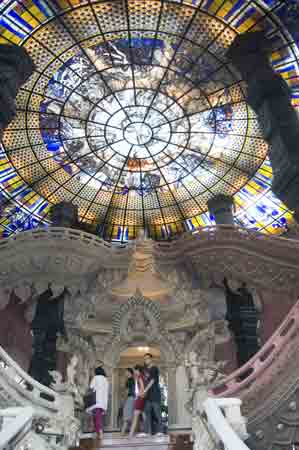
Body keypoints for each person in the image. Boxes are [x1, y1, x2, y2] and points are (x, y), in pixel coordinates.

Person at [87, 366, 109, 447]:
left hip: (95, 401)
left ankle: (100, 433)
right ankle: (98, 433)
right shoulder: (106, 380)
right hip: (103, 402)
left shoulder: (95, 378)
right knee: (98, 417)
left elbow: (91, 388)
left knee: (96, 418)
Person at [143, 353, 162, 435]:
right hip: (148, 395)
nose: (146, 360)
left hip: (155, 393)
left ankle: (160, 431)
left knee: (157, 413)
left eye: (147, 358)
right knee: (147, 413)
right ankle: (147, 432)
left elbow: (152, 380)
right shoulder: (146, 370)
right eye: (145, 359)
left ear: (151, 359)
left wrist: (145, 390)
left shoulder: (154, 368)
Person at [129, 365, 145, 438]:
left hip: (139, 398)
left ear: (138, 370)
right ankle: (131, 434)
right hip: (140, 398)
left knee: (135, 416)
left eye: (135, 370)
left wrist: (139, 396)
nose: (134, 372)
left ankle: (131, 434)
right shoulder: (140, 377)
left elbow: (142, 387)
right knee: (141, 416)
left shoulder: (140, 377)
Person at [121, 368, 135, 435]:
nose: (125, 373)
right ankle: (130, 432)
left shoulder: (129, 380)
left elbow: (127, 391)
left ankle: (122, 433)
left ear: (129, 372)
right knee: (130, 416)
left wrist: (124, 400)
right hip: (133, 398)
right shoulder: (133, 380)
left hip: (129, 398)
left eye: (126, 372)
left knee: (126, 416)